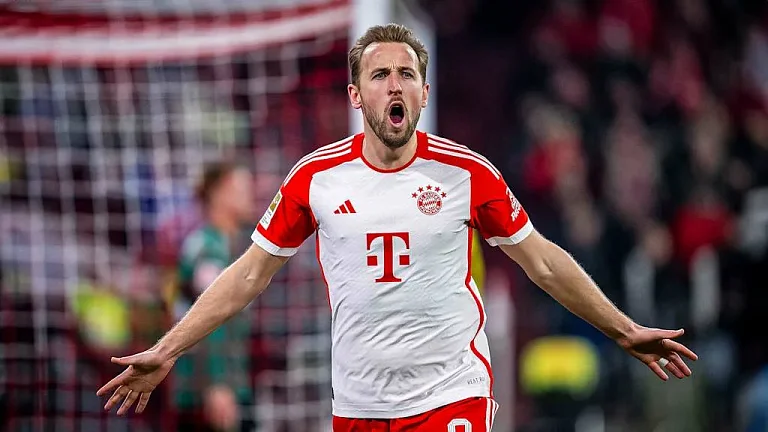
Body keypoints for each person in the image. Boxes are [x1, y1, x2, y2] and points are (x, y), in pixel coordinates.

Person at [97, 23, 698, 431]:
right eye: (380, 74)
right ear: (356, 95)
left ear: (424, 92)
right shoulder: (315, 178)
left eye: (406, 74)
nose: (394, 84)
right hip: (359, 403)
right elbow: (249, 274)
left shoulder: (467, 173)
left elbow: (540, 260)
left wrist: (623, 329)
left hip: (450, 392)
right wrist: (167, 348)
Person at [168, 161, 256, 432]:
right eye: (242, 189)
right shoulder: (207, 250)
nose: (250, 196)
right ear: (218, 194)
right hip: (208, 393)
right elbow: (208, 320)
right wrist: (217, 385)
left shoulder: (229, 246)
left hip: (226, 383)